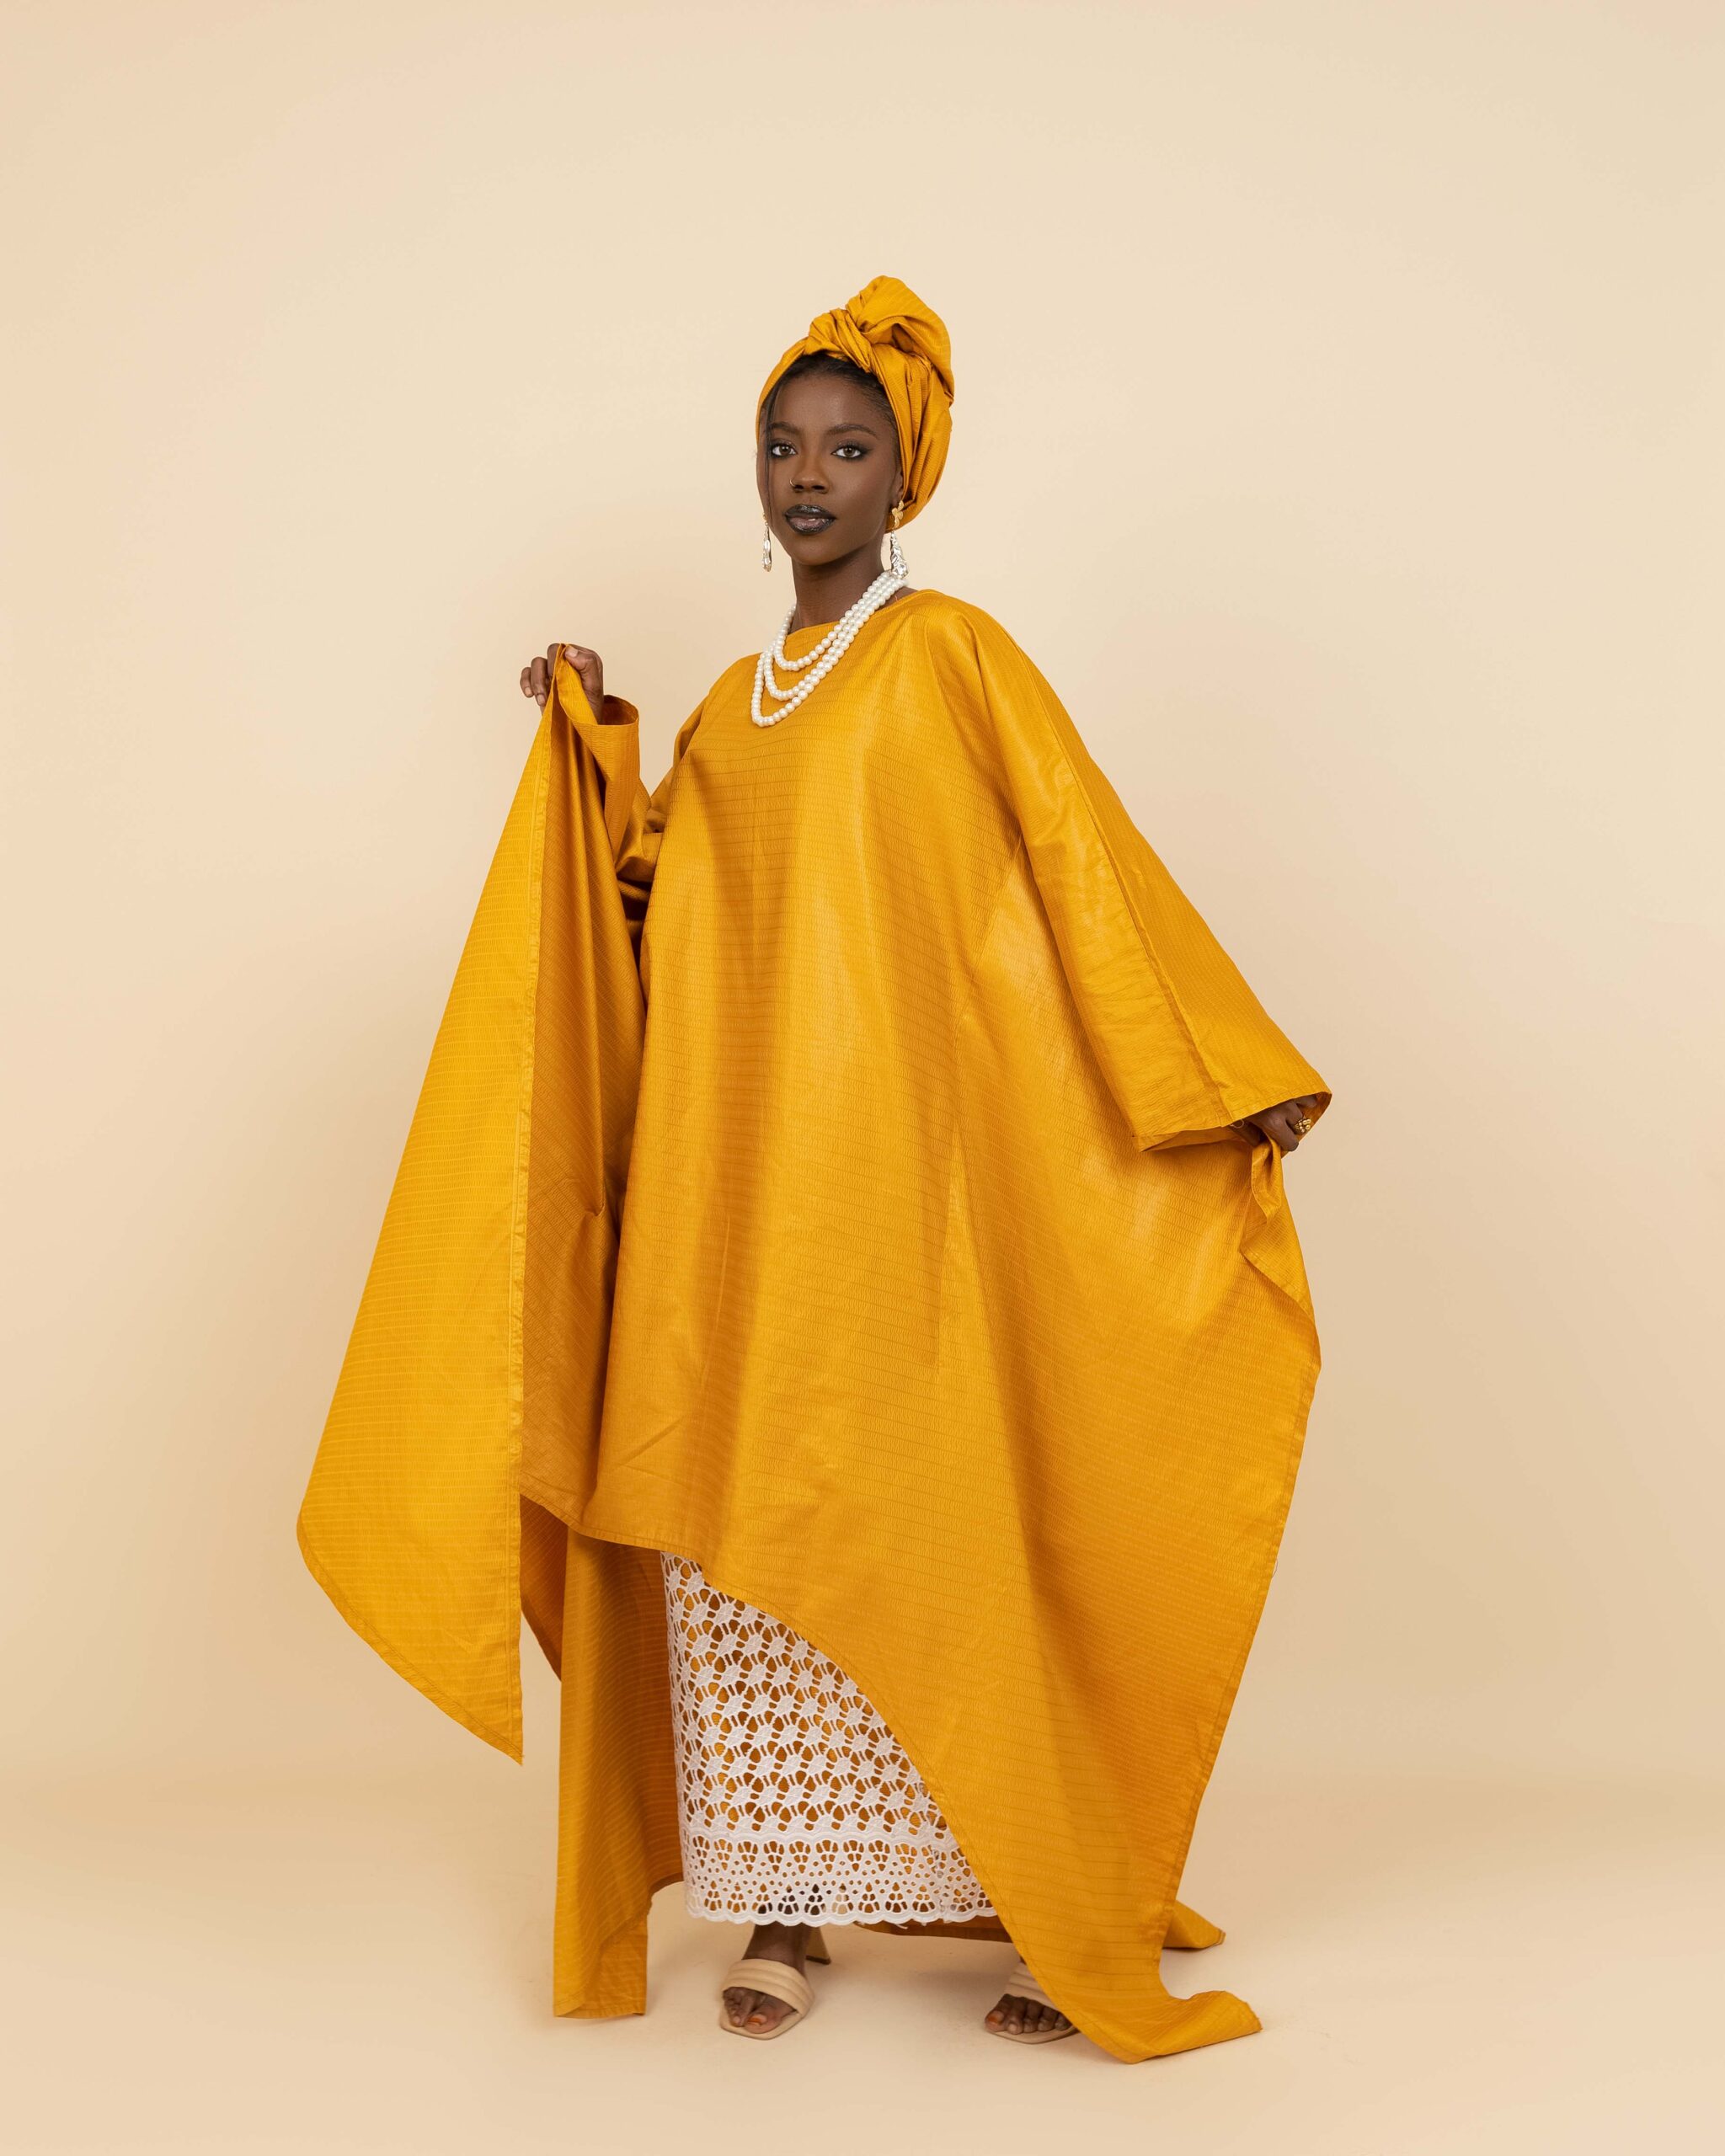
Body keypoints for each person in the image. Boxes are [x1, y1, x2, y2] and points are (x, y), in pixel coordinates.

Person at [299, 276, 1330, 2063]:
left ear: (901, 479)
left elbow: (1080, 856)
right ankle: (783, 1903)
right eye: (783, 445)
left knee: (943, 1523)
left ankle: (1035, 1884)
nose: (808, 476)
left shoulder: (953, 660)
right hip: (744, 1196)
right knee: (744, 1529)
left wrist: (1219, 1070)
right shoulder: (731, 706)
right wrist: (592, 752)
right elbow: (648, 908)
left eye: (848, 449)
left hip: (916, 1192)